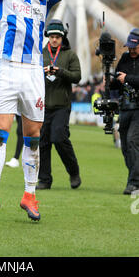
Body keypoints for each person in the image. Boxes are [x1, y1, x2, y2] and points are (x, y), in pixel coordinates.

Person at [0, 0, 108, 222]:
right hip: (7, 70)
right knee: (0, 131)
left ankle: (30, 195)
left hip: (33, 73)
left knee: (33, 135)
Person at [36, 20, 81, 190]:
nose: (54, 40)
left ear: (62, 38)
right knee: (43, 143)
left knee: (59, 138)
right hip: (43, 106)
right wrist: (43, 71)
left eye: (58, 37)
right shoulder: (40, 54)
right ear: (48, 37)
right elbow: (31, 74)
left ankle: (74, 171)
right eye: (52, 36)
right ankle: (45, 180)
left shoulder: (70, 55)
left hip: (62, 105)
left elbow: (77, 76)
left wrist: (60, 71)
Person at [110, 28, 139, 195]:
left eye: (134, 47)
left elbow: (126, 78)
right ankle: (134, 176)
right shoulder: (125, 58)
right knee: (126, 146)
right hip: (125, 106)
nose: (131, 50)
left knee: (133, 141)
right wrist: (110, 80)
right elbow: (117, 81)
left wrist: (127, 78)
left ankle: (134, 183)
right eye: (130, 47)